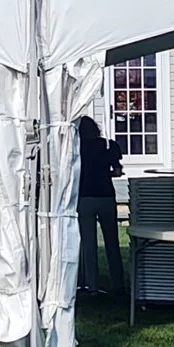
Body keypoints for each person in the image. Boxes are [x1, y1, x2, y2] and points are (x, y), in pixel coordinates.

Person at [76, 116, 126, 296]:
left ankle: (92, 285)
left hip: (84, 196)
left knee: (88, 244)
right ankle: (117, 282)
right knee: (112, 241)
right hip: (106, 195)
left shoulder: (76, 148)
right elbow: (118, 170)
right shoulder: (108, 146)